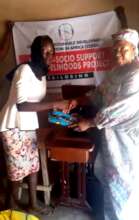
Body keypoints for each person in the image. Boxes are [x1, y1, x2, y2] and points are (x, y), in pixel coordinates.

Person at [67, 29, 139, 220]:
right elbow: (99, 93)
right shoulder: (116, 72)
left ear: (134, 50)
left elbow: (118, 110)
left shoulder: (137, 76)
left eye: (123, 49)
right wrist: (79, 100)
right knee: (110, 181)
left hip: (130, 142)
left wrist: (89, 123)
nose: (118, 53)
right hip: (113, 137)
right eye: (115, 50)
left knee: (126, 185)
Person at [0, 35, 67, 212]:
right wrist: (54, 104)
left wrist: (57, 110)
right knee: (16, 174)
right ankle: (11, 207)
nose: (48, 56)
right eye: (44, 51)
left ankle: (33, 204)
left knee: (32, 167)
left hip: (29, 125)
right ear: (35, 52)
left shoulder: (42, 75)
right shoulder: (24, 70)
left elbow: (36, 103)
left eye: (51, 52)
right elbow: (22, 105)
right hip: (12, 126)